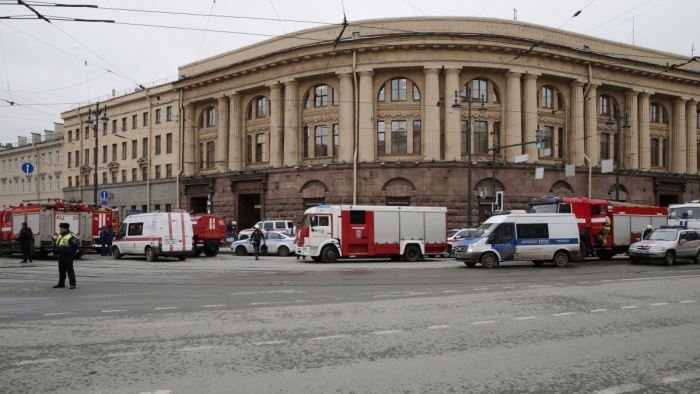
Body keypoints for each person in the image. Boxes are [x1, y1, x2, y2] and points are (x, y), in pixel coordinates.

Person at [53, 222, 78, 289]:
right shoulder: (61, 235)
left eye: (61, 228)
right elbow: (57, 241)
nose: (60, 229)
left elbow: (75, 246)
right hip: (61, 255)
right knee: (61, 270)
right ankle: (61, 283)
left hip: (68, 255)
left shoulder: (71, 236)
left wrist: (70, 252)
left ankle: (72, 284)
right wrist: (53, 238)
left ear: (65, 229)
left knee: (69, 270)